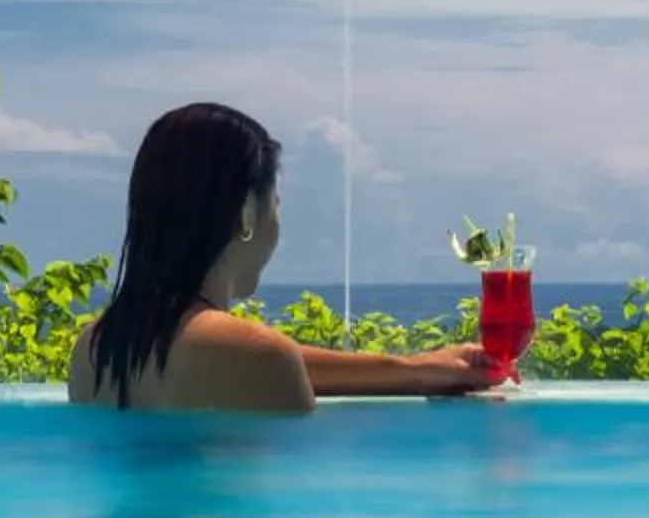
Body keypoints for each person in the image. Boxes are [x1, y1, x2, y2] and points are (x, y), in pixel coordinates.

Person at [70, 102, 495, 411]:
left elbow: (229, 361)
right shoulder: (256, 357)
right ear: (246, 217)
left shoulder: (94, 349)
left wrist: (413, 369)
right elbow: (258, 361)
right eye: (276, 202)